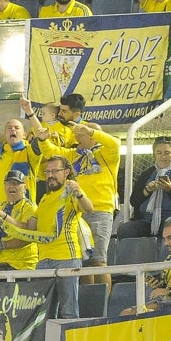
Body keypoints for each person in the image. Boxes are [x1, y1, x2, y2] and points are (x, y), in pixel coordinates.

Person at [0, 155, 93, 319]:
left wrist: (79, 193)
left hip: (67, 258)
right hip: (42, 262)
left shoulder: (71, 193)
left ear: (66, 172)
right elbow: (29, 228)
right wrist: (5, 218)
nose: (50, 175)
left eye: (55, 171)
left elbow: (89, 208)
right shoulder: (44, 199)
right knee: (44, 313)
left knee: (68, 311)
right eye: (47, 171)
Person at [35, 119, 120, 283]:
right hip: (75, 212)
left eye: (82, 134)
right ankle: (87, 303)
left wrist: (90, 130)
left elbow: (115, 143)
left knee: (98, 261)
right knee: (82, 263)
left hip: (99, 211)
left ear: (94, 137)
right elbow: (50, 152)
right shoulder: (72, 155)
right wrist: (42, 139)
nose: (77, 137)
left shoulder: (107, 153)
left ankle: (102, 305)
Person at [115, 136, 171, 239]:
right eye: (159, 153)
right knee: (125, 230)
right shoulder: (147, 174)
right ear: (154, 155)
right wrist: (147, 190)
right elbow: (133, 201)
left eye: (167, 153)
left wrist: (170, 190)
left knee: (168, 230)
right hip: (145, 221)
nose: (163, 157)